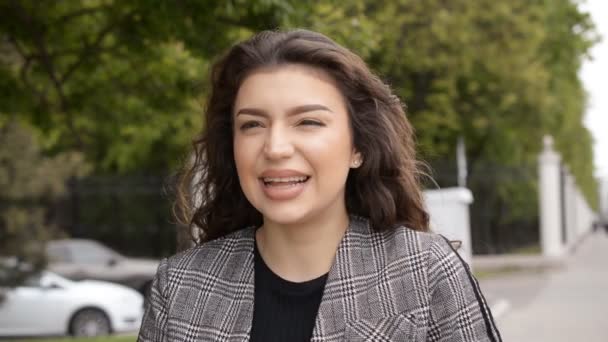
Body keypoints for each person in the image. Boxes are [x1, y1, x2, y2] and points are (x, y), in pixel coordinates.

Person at [138, 29, 502, 342]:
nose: (275, 147)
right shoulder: (181, 287)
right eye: (252, 125)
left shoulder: (424, 273)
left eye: (308, 122)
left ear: (358, 147)